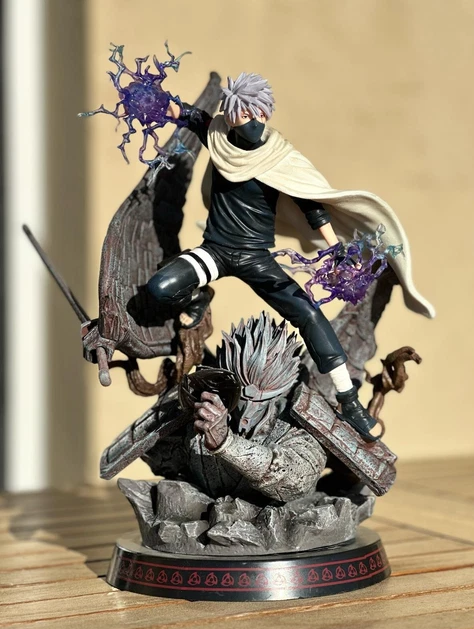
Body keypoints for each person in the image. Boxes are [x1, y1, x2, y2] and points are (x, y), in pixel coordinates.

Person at [147, 72, 435, 442]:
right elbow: (185, 114)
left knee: (309, 315)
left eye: (259, 114)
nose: (253, 122)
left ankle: (349, 402)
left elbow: (313, 208)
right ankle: (198, 294)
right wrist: (151, 101)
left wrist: (335, 250)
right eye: (244, 115)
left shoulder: (280, 158)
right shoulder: (217, 136)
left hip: (255, 257)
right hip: (214, 251)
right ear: (231, 115)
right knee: (159, 288)